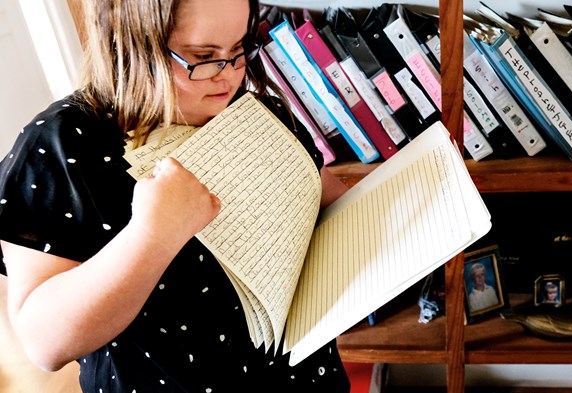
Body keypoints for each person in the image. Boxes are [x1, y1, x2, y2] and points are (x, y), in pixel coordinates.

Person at [0, 0, 351, 391]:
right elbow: (44, 344)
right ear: (130, 42)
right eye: (204, 56)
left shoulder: (253, 108)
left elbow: (325, 196)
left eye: (239, 47)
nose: (231, 75)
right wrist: (153, 235)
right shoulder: (62, 145)